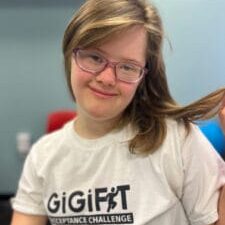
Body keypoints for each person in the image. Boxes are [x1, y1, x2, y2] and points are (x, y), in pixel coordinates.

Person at [10, 0, 225, 225]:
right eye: (95, 57)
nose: (106, 79)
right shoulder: (42, 157)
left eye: (127, 67)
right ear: (70, 54)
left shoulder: (178, 140)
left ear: (143, 76)